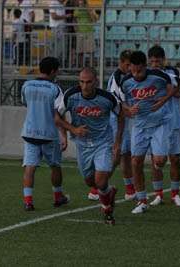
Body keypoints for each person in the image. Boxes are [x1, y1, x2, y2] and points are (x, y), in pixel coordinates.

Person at [58, 67, 123, 225]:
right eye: (81, 82)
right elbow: (57, 116)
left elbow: (121, 115)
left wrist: (117, 142)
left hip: (103, 142)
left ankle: (107, 209)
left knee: (100, 180)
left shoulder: (107, 98)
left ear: (96, 82)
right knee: (90, 182)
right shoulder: (71, 95)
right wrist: (71, 131)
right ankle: (109, 192)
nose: (84, 86)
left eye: (88, 82)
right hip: (82, 144)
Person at [20, 57, 82, 211]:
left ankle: (28, 201)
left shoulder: (26, 85)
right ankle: (58, 197)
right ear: (53, 71)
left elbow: (25, 103)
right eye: (58, 70)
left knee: (29, 167)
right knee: (55, 166)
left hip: (29, 132)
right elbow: (59, 114)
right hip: (48, 134)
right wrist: (64, 135)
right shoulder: (55, 89)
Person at [120, 50, 175, 214]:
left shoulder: (159, 76)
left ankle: (158, 187)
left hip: (160, 123)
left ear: (145, 66)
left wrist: (162, 101)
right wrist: (129, 109)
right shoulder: (126, 82)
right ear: (130, 68)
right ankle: (142, 200)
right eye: (133, 70)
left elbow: (173, 89)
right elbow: (121, 103)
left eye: (139, 70)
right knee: (136, 161)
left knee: (159, 161)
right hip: (139, 125)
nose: (136, 74)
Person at [147, 45, 180, 207]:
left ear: (164, 60)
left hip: (173, 122)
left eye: (158, 60)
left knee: (175, 159)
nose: (155, 63)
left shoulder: (173, 73)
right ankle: (158, 194)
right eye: (153, 61)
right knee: (156, 160)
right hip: (155, 123)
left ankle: (175, 194)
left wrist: (166, 83)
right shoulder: (146, 76)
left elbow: (178, 93)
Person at [98, 49, 136, 201]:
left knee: (125, 155)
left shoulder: (128, 76)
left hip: (125, 119)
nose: (130, 67)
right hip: (116, 119)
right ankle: (98, 187)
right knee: (117, 154)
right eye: (127, 64)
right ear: (121, 63)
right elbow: (116, 102)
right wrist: (128, 109)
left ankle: (130, 189)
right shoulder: (117, 77)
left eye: (131, 65)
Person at [74, 0, 98, 67]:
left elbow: (94, 19)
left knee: (91, 51)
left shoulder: (90, 8)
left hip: (89, 31)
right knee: (80, 51)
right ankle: (81, 67)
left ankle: (91, 66)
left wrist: (88, 9)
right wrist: (76, 29)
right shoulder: (76, 9)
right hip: (80, 32)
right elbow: (75, 19)